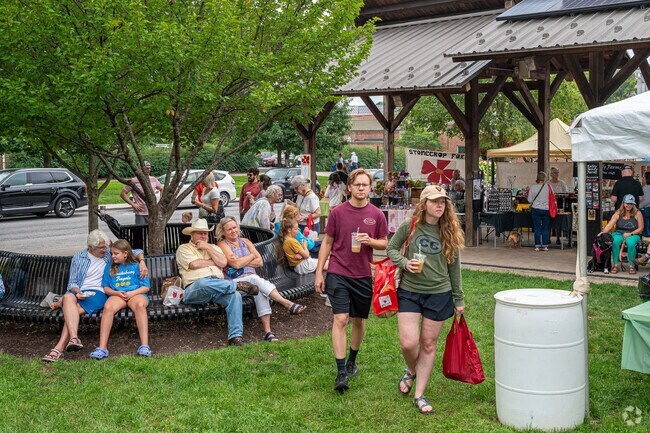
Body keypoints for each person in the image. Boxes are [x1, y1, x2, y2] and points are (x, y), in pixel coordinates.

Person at [386, 184, 465, 415]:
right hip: (410, 290)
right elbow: (391, 248)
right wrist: (404, 263)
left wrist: (458, 298)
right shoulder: (411, 225)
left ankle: (419, 394)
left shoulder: (449, 230)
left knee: (429, 344)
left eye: (443, 201)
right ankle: (412, 369)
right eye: (434, 201)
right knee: (408, 343)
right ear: (424, 204)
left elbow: (455, 267)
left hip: (439, 294)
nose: (440, 205)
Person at [315, 168, 389, 393]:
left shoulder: (377, 214)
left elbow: (385, 243)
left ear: (370, 188)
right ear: (349, 187)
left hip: (363, 274)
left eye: (365, 185)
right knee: (341, 319)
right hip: (338, 272)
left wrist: (371, 241)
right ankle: (341, 372)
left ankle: (352, 361)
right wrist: (319, 272)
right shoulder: (338, 212)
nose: (361, 188)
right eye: (357, 184)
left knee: (358, 320)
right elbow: (327, 242)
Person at [41, 230, 147, 362]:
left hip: (98, 292)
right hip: (80, 291)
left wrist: (142, 261)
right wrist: (77, 291)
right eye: (101, 248)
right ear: (91, 247)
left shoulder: (109, 254)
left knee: (73, 312)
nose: (105, 250)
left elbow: (133, 251)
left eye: (105, 246)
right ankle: (74, 338)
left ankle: (58, 349)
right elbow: (72, 282)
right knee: (68, 297)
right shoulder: (79, 257)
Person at [217, 218, 306, 342]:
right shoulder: (222, 245)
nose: (233, 231)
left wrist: (242, 260)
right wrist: (251, 256)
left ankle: (268, 332)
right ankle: (286, 302)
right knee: (255, 279)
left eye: (234, 227)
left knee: (258, 288)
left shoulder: (246, 241)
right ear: (223, 232)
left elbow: (260, 262)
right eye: (229, 229)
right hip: (236, 285)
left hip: (253, 284)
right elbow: (236, 265)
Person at [176, 219, 259, 346]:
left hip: (217, 288)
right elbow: (194, 264)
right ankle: (236, 285)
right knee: (204, 283)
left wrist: (208, 247)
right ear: (192, 235)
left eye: (205, 233)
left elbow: (223, 263)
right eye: (200, 233)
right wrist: (213, 261)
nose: (203, 236)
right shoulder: (184, 249)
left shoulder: (214, 248)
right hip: (195, 289)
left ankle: (235, 337)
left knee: (235, 296)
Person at [89, 239, 151, 360]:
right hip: (118, 295)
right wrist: (116, 293)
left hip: (136, 294)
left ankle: (144, 345)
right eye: (112, 253)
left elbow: (146, 287)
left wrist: (132, 293)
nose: (113, 256)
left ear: (125, 254)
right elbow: (106, 288)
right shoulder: (109, 267)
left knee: (139, 305)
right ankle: (102, 347)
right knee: (108, 307)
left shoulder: (137, 266)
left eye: (116, 254)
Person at [599, 194, 644, 274]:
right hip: (619, 233)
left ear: (633, 204)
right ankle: (615, 265)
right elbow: (610, 225)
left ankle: (631, 265)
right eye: (627, 203)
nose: (629, 205)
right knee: (615, 241)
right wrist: (603, 232)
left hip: (633, 234)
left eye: (631, 203)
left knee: (631, 243)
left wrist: (630, 234)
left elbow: (640, 228)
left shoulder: (637, 213)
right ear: (623, 203)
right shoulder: (618, 213)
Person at [526, 171, 552, 251]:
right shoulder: (548, 187)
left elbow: (530, 200)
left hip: (536, 210)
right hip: (546, 210)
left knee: (537, 228)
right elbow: (552, 198)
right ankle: (545, 246)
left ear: (537, 178)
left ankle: (537, 246)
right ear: (544, 179)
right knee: (545, 228)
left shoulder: (533, 187)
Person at [639, 171, 650, 238]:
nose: (642, 179)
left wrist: (639, 206)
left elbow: (646, 200)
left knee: (646, 229)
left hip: (646, 211)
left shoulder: (646, 188)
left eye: (643, 177)